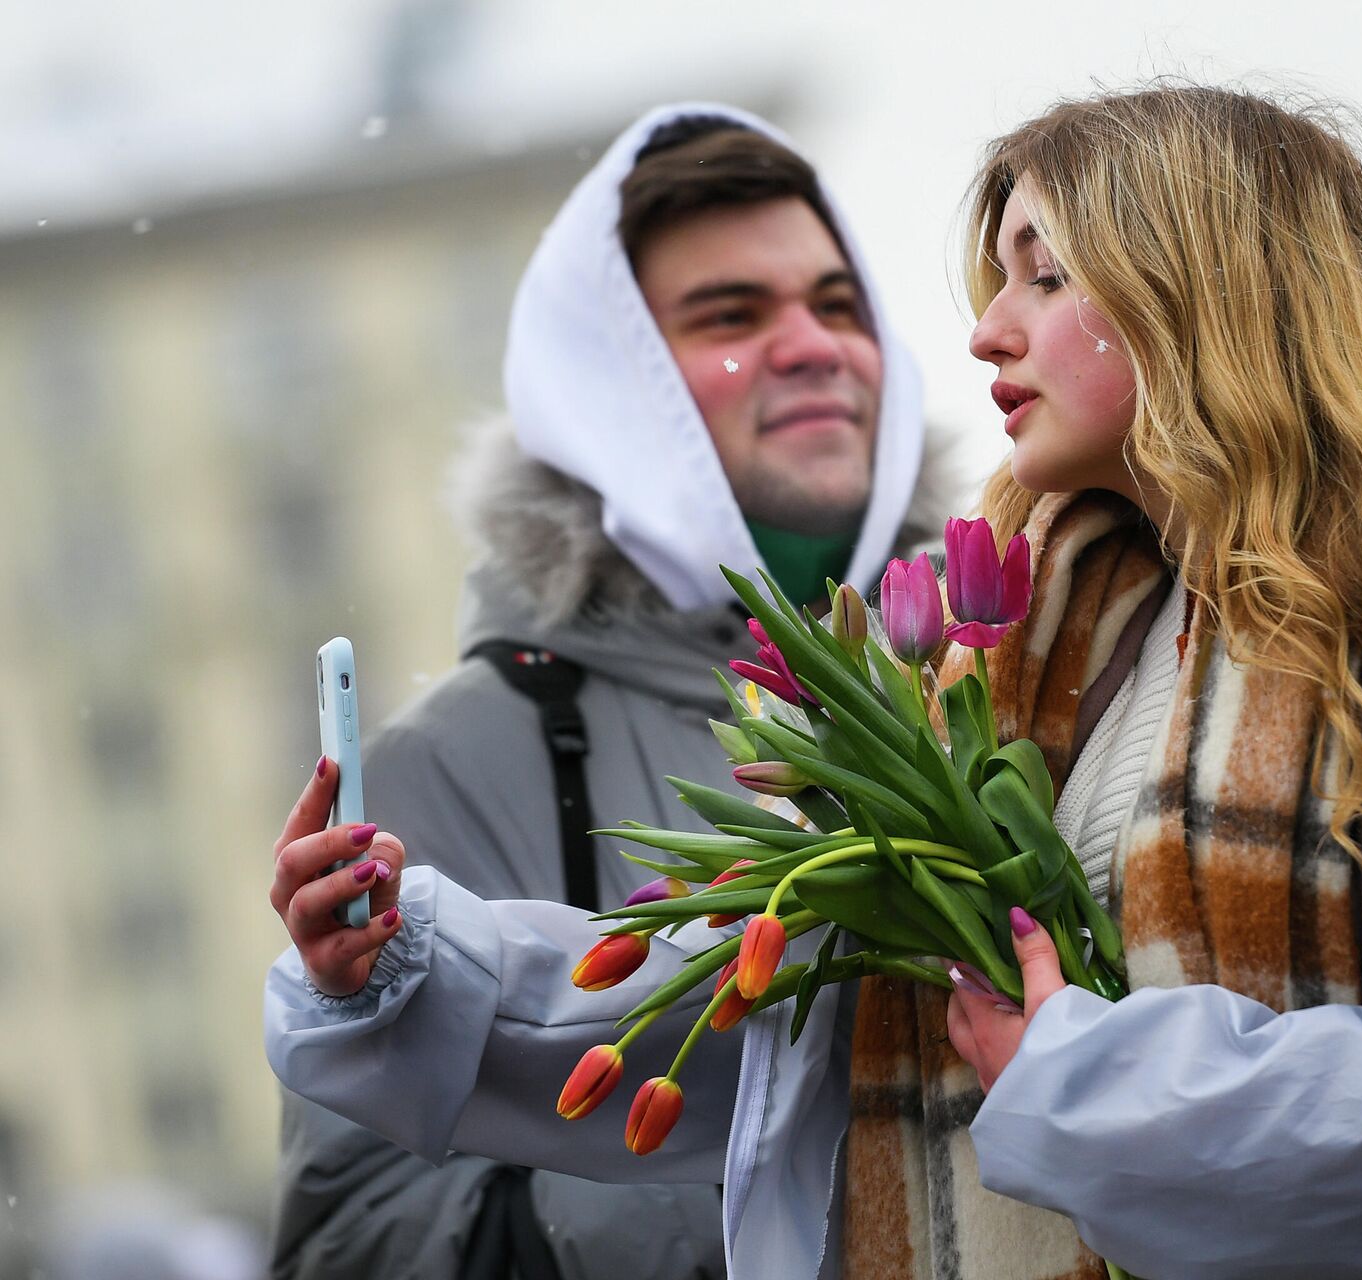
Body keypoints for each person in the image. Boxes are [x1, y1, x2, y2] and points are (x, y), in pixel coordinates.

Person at [264, 84, 1362, 1279]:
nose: (983, 328)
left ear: (1206, 297)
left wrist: (1086, 1075)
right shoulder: (1009, 655)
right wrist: (410, 958)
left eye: (1045, 273)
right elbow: (794, 1019)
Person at [269, 102, 960, 1280]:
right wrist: (784, 1185)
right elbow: (352, 1241)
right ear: (610, 383)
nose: (813, 344)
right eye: (731, 315)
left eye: (838, 304)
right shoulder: (464, 750)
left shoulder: (991, 664)